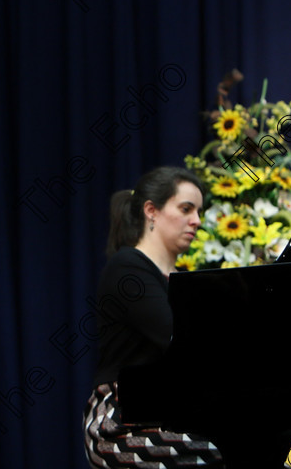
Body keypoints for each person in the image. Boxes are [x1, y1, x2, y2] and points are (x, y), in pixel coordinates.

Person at [82, 166, 224, 468]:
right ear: (152, 211)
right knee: (229, 451)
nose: (197, 221)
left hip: (170, 412)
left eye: (199, 211)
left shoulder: (183, 279)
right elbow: (179, 339)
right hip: (121, 419)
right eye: (186, 209)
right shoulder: (128, 266)